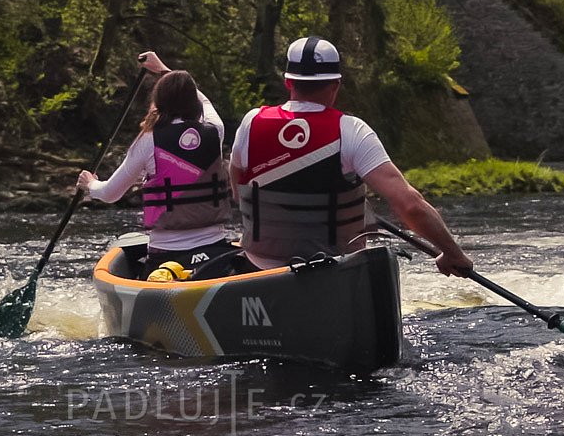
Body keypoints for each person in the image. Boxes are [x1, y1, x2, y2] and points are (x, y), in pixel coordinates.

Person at [229, 35, 474, 276]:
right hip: (333, 270)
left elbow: (238, 190)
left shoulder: (251, 123)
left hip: (259, 269)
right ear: (336, 84)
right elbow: (409, 205)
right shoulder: (352, 131)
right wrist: (452, 253)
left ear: (288, 82)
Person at [78, 52, 236, 278]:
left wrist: (91, 184)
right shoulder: (215, 130)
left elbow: (110, 194)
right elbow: (205, 101)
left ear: (158, 102)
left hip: (167, 256)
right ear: (193, 101)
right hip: (215, 250)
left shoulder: (148, 140)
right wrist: (164, 70)